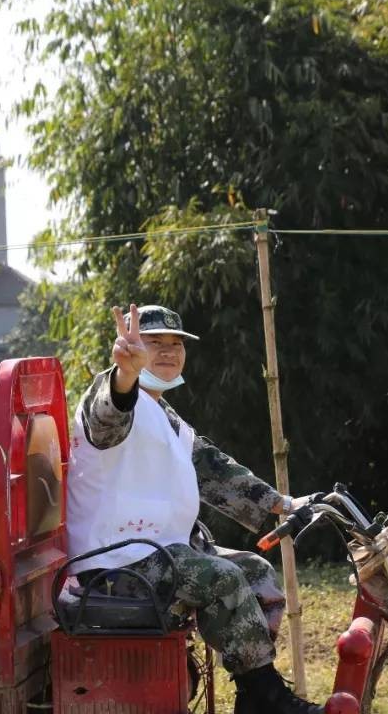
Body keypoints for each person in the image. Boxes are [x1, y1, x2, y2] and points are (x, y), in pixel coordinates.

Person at [66, 304, 324, 714]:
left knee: (256, 572)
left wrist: (285, 504)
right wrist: (125, 375)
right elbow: (106, 418)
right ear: (131, 347)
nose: (168, 352)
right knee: (222, 578)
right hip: (116, 564)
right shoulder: (114, 397)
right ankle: (267, 699)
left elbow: (213, 469)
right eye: (154, 343)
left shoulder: (164, 415)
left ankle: (252, 694)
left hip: (156, 552)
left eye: (176, 344)